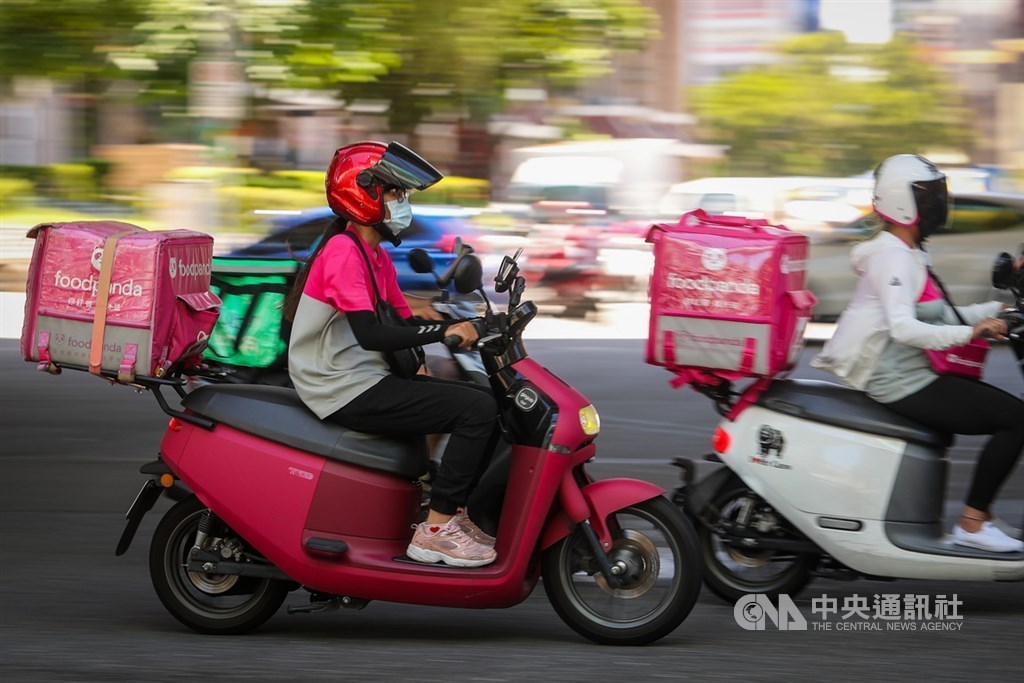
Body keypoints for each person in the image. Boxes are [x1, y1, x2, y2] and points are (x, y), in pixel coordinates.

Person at [283, 141, 501, 567]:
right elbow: (371, 334)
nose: (403, 204)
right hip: (343, 386)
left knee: (482, 400)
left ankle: (452, 512)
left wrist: (468, 322)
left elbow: (401, 321)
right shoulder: (345, 252)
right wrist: (445, 330)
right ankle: (436, 530)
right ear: (363, 193)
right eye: (396, 194)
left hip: (361, 377)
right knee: (476, 411)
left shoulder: (373, 254)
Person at [812, 153, 1024, 553]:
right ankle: (973, 524)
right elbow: (904, 328)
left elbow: (940, 312)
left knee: (1007, 414)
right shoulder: (893, 255)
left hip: (911, 372)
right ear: (902, 202)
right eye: (928, 196)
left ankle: (982, 516)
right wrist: (970, 331)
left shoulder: (908, 251)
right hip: (899, 379)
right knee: (1015, 419)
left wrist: (995, 313)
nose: (938, 204)